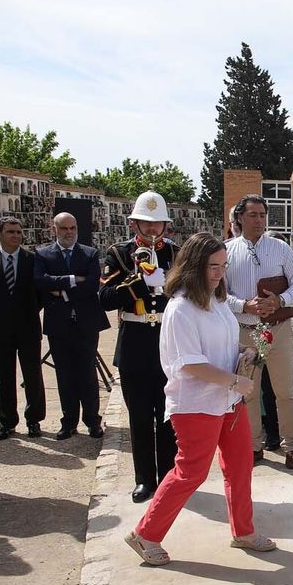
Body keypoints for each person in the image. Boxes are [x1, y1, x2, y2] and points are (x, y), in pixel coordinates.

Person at [124, 234, 270, 566]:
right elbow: (190, 363)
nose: (220, 273)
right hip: (196, 403)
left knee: (240, 464)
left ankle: (243, 531)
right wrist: (236, 380)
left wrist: (242, 351)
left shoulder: (216, 300)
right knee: (191, 472)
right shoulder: (180, 309)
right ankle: (145, 534)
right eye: (212, 267)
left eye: (223, 266)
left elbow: (219, 345)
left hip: (227, 399)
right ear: (193, 266)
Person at [99, 191, 177, 502]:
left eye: (158, 223)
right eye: (146, 223)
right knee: (140, 417)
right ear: (134, 224)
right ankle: (145, 479)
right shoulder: (119, 254)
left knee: (169, 416)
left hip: (168, 342)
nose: (153, 229)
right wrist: (137, 284)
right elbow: (104, 299)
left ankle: (170, 478)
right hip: (134, 341)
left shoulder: (177, 253)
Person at [223, 195, 293, 467]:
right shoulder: (226, 251)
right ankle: (253, 445)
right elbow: (218, 294)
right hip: (245, 331)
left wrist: (279, 301)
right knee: (248, 391)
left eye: (262, 215)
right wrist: (244, 303)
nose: (258, 220)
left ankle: (291, 446)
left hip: (278, 329)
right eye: (252, 215)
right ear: (239, 218)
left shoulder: (281, 249)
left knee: (285, 390)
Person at [36, 212, 108, 439]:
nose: (69, 232)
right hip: (59, 325)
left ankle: (93, 421)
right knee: (64, 375)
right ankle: (68, 422)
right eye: (64, 228)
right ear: (54, 229)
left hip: (86, 324)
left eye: (73, 228)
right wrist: (74, 279)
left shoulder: (89, 253)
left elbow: (91, 286)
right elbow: (40, 281)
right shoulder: (43, 254)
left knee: (87, 373)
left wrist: (60, 290)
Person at [0, 215, 45, 439]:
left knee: (32, 374)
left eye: (18, 232)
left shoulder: (33, 260)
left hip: (28, 326)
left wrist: (28, 312)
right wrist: (1, 313)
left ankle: (34, 420)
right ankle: (6, 422)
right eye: (10, 232)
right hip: (1, 328)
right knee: (4, 375)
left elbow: (41, 293)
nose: (15, 236)